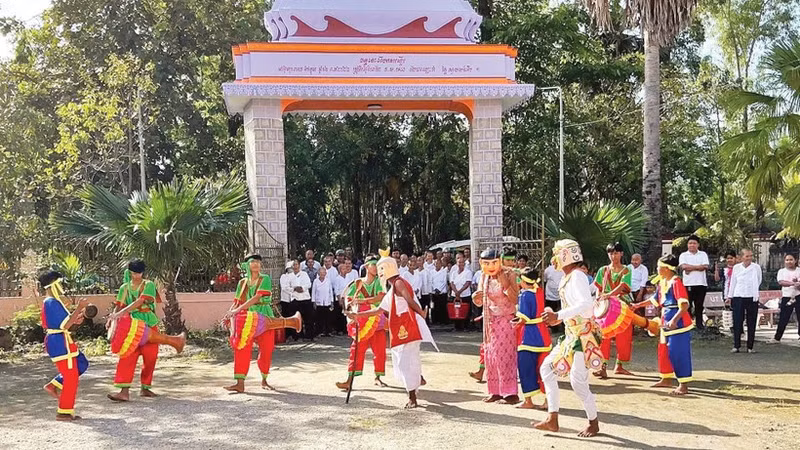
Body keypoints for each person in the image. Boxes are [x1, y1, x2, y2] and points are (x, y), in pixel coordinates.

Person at [345, 250, 437, 409]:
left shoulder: (399, 283)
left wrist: (421, 313)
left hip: (407, 327)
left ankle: (412, 396)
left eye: (381, 269)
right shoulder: (393, 286)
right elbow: (379, 310)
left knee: (406, 361)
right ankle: (414, 386)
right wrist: (357, 315)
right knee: (403, 360)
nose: (379, 272)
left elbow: (409, 300)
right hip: (400, 327)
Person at [535, 239, 602, 437]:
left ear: (565, 255)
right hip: (572, 335)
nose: (553, 258)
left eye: (556, 254)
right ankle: (552, 418)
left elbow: (585, 305)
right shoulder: (569, 278)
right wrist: (558, 318)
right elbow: (575, 308)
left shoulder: (577, 276)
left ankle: (593, 422)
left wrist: (559, 316)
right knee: (547, 368)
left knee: (578, 382)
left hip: (582, 337)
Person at [107, 259, 185, 402]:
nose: (137, 275)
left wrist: (119, 313)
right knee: (127, 356)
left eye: (140, 273)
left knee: (150, 357)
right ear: (130, 272)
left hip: (148, 323)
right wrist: (112, 319)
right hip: (131, 326)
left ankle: (145, 388)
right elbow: (118, 306)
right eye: (135, 273)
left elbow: (140, 302)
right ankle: (124, 392)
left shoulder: (148, 285)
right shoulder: (124, 288)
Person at [634, 255, 694, 395]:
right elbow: (655, 300)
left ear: (666, 269)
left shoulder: (676, 282)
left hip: (678, 323)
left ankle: (683, 384)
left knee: (678, 352)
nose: (657, 269)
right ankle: (666, 378)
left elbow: (684, 305)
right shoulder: (662, 282)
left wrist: (674, 320)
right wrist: (637, 305)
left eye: (659, 267)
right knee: (664, 351)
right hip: (665, 321)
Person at [223, 254, 283, 393]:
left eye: (258, 262)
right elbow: (237, 301)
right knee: (241, 347)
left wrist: (237, 309)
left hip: (264, 316)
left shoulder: (265, 278)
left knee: (267, 349)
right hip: (246, 318)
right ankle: (240, 383)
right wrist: (229, 313)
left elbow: (257, 298)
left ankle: (264, 380)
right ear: (247, 265)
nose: (256, 264)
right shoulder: (242, 282)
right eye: (253, 262)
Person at [39, 270, 90, 421]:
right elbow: (65, 325)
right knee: (71, 376)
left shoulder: (53, 301)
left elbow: (66, 324)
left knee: (81, 363)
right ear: (54, 284)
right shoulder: (51, 302)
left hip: (62, 340)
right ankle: (64, 412)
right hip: (58, 342)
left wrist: (76, 319)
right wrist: (79, 308)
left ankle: (54, 384)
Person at [473, 248, 520, 404]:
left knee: (505, 356)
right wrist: (476, 298)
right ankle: (495, 391)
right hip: (490, 321)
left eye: (494, 262)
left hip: (506, 320)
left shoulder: (509, 274)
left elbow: (515, 299)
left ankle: (510, 393)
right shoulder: (483, 276)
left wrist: (505, 284)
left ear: (499, 261)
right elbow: (480, 299)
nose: (491, 266)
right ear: (481, 264)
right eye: (486, 263)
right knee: (490, 356)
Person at [336, 255, 388, 390]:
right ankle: (349, 380)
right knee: (356, 350)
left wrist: (361, 301)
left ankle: (378, 377)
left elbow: (380, 297)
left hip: (376, 319)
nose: (376, 268)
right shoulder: (358, 283)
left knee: (379, 350)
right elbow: (348, 297)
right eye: (373, 265)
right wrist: (349, 306)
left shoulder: (379, 282)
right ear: (366, 267)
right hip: (361, 321)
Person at [593, 243, 634, 379]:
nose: (613, 256)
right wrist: (599, 298)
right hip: (606, 306)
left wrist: (607, 295)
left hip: (622, 305)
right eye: (611, 253)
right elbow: (599, 287)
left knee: (624, 335)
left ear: (621, 254)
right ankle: (602, 366)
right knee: (603, 336)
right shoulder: (603, 270)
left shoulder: (626, 270)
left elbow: (623, 286)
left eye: (616, 253)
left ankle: (620, 365)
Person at [514, 267, 551, 410]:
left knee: (526, 369)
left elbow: (523, 318)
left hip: (528, 338)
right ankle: (548, 399)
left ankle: (528, 400)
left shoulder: (524, 295)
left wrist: (514, 326)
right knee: (544, 370)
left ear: (523, 281)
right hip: (543, 336)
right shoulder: (540, 292)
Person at [726, 248, 762, 353]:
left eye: (750, 256)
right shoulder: (736, 268)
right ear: (741, 257)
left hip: (752, 296)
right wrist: (730, 296)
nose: (749, 258)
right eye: (747, 256)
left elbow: (759, 280)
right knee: (737, 320)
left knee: (751, 321)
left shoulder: (756, 267)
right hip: (738, 296)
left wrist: (753, 290)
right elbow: (733, 282)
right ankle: (736, 345)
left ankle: (750, 346)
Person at [679, 235, 710, 330]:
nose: (692, 245)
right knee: (687, 305)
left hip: (701, 283)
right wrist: (698, 267)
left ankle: (699, 324)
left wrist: (691, 268)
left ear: (698, 245)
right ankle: (688, 324)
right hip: (688, 283)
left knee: (699, 305)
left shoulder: (703, 254)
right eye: (690, 243)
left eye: (694, 243)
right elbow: (683, 267)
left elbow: (705, 267)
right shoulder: (683, 255)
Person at [768, 254, 800, 343]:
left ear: (795, 260)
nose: (789, 262)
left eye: (791, 259)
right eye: (787, 260)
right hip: (787, 296)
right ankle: (777, 337)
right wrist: (793, 284)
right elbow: (781, 282)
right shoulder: (782, 271)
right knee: (783, 318)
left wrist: (798, 285)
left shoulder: (799, 270)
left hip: (798, 296)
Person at [286, 260, 313, 341]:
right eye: (293, 265)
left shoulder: (304, 274)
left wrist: (302, 288)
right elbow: (286, 287)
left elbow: (309, 284)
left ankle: (309, 336)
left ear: (299, 265)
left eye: (296, 264)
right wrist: (294, 289)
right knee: (296, 319)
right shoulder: (289, 276)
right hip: (295, 298)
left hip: (305, 298)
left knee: (308, 318)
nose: (295, 266)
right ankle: (297, 336)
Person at [449, 252, 473, 331]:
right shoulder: (453, 273)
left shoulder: (468, 272)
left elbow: (468, 283)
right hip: (455, 295)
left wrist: (459, 292)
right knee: (456, 311)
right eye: (459, 262)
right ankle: (457, 327)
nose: (461, 264)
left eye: (462, 262)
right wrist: (456, 292)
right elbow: (451, 283)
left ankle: (466, 327)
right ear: (457, 263)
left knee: (466, 312)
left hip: (465, 295)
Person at [543, 259, 565, 333]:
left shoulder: (563, 269)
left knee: (561, 311)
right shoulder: (548, 270)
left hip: (560, 295)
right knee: (550, 311)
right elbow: (545, 281)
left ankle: (563, 328)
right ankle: (552, 328)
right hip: (550, 295)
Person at [312, 266, 334, 337]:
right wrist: (314, 301)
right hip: (319, 302)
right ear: (318, 273)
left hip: (327, 301)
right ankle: (319, 332)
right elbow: (313, 292)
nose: (322, 274)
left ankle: (328, 331)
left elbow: (330, 291)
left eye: (323, 273)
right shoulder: (315, 281)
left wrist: (332, 301)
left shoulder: (328, 280)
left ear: (325, 273)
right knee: (319, 318)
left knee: (328, 318)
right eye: (321, 273)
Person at [430, 257, 449, 325]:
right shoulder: (431, 272)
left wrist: (439, 289)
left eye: (438, 263)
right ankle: (435, 321)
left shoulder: (444, 272)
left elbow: (444, 282)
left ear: (441, 264)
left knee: (442, 307)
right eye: (435, 264)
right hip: (434, 292)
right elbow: (431, 282)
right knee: (434, 307)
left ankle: (443, 321)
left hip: (442, 292)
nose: (437, 265)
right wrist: (435, 289)